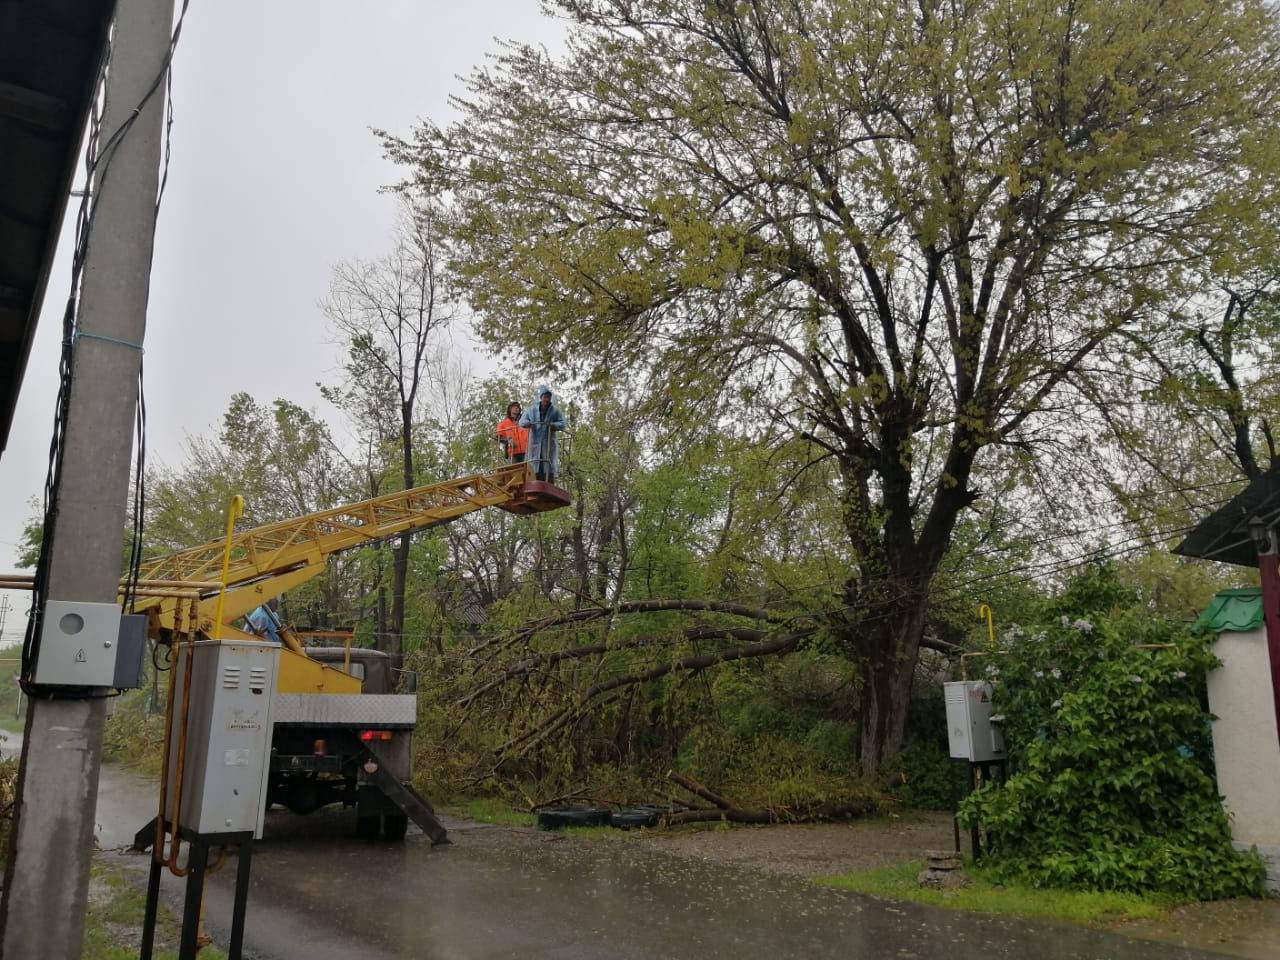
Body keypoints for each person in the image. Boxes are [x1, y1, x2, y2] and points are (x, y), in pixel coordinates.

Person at [519, 385, 568, 483]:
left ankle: (549, 483)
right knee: (533, 464)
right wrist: (527, 423)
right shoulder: (531, 410)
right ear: (540, 397)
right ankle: (533, 482)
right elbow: (522, 421)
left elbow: (563, 423)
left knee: (548, 465)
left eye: (548, 397)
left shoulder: (555, 411)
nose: (546, 399)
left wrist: (553, 425)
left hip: (548, 443)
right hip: (534, 443)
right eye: (545, 397)